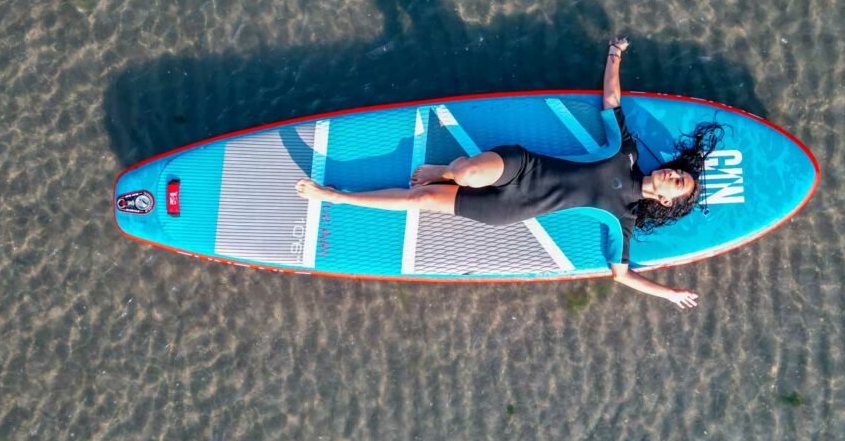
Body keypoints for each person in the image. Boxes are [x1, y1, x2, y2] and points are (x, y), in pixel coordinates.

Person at [296, 38, 723, 306]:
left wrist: (669, 294)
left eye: (679, 185)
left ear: (666, 200)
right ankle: (443, 170)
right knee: (464, 173)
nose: (672, 176)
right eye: (678, 173)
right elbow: (611, 101)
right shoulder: (625, 151)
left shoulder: (623, 218)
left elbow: (621, 274)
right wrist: (614, 54)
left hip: (511, 207)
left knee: (421, 201)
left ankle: (335, 195)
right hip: (523, 164)